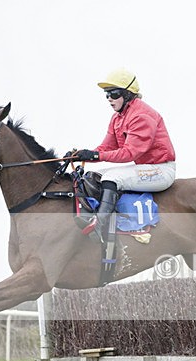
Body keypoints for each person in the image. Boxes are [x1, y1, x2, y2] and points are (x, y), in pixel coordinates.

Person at [67, 68, 176, 238]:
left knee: (112, 178)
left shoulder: (141, 115)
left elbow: (129, 153)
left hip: (161, 171)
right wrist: (83, 154)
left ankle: (100, 226)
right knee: (91, 175)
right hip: (145, 168)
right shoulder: (117, 118)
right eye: (106, 94)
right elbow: (106, 148)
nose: (109, 98)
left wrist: (95, 156)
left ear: (128, 94)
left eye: (114, 93)